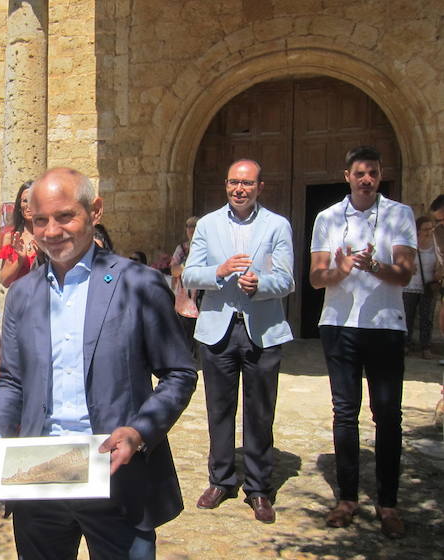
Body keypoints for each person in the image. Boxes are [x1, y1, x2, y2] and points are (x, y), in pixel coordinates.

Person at [0, 167, 197, 560]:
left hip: (115, 472)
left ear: (94, 211)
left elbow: (179, 373)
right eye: (40, 221)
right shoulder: (22, 295)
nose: (52, 231)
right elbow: (13, 380)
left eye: (65, 217)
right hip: (40, 477)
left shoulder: (138, 283)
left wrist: (140, 431)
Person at [309, 145, 416, 539]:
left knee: (388, 415)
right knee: (344, 412)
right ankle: (348, 498)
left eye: (372, 173)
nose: (366, 179)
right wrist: (339, 270)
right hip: (339, 324)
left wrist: (374, 265)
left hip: (386, 324)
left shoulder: (399, 215)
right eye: (360, 173)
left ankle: (388, 502)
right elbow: (315, 278)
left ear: (380, 176)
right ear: (347, 176)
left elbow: (405, 273)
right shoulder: (328, 218)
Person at [183, 160, 295, 524]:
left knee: (260, 411)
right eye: (233, 182)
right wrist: (219, 271)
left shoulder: (277, 225)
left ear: (260, 186)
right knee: (219, 409)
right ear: (226, 185)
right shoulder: (208, 224)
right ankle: (221, 479)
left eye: (246, 183)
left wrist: (260, 285)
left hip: (261, 328)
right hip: (219, 328)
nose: (239, 189)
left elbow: (287, 279)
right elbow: (189, 273)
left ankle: (259, 488)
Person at [402, 215, 436, 359]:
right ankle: (406, 345)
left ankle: (425, 347)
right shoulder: (412, 246)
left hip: (428, 286)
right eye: (425, 229)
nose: (429, 232)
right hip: (410, 286)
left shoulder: (436, 247)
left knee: (426, 318)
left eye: (431, 228)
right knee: (408, 316)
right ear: (418, 231)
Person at [0, 180, 38, 287]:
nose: (29, 205)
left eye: (33, 200)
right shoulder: (11, 238)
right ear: (19, 206)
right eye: (25, 201)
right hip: (20, 300)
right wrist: (20, 260)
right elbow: (4, 281)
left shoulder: (49, 236)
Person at [170, 216, 200, 351]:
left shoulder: (208, 248)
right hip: (186, 301)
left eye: (195, 225)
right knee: (186, 339)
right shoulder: (182, 249)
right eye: (189, 226)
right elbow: (174, 271)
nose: (192, 229)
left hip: (204, 298)